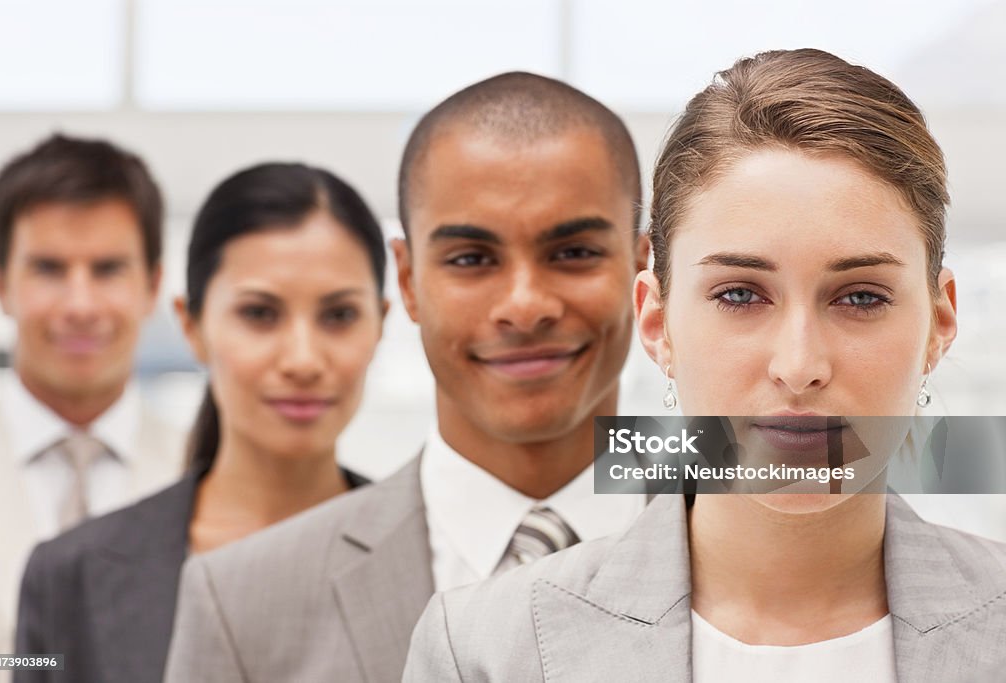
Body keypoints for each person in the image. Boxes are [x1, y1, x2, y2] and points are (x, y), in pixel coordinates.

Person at [403, 49, 1006, 682]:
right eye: (740, 295)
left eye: (860, 297)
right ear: (657, 322)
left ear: (939, 323)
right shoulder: (485, 649)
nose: (799, 366)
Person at [163, 72, 648, 682]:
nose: (525, 305)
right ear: (410, 279)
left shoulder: (762, 514)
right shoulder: (241, 601)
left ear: (640, 264)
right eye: (472, 259)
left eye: (573, 252)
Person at [12, 162, 384, 683]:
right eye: (260, 313)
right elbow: (30, 663)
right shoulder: (73, 571)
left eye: (339, 315)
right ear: (191, 324)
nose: (303, 360)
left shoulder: (432, 559)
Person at [0, 134, 184, 670]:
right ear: (2, 285)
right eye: (49, 269)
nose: (80, 305)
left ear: (152, 285)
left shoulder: (208, 474)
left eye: (107, 269)